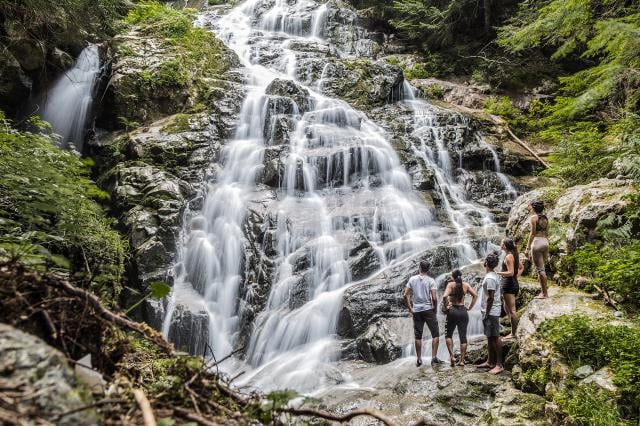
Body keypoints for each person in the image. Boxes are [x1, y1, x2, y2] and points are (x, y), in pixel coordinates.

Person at [404, 260, 444, 367]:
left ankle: (419, 359)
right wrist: (435, 309)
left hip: (417, 310)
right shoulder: (431, 281)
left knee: (418, 336)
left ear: (419, 268)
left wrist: (410, 308)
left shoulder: (412, 279)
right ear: (428, 269)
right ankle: (434, 357)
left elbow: (405, 295)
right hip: (428, 309)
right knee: (435, 334)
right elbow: (434, 298)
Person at [442, 269, 478, 367]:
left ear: (453, 277)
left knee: (448, 335)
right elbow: (475, 295)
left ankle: (452, 357)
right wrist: (470, 308)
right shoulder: (465, 285)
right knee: (463, 337)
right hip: (463, 311)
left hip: (452, 311)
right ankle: (462, 360)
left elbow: (445, 297)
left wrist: (446, 307)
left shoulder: (451, 285)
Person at [477, 252, 504, 374]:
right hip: (490, 311)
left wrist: (486, 312)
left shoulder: (490, 278)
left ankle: (499, 364)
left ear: (486, 263)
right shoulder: (493, 275)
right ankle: (490, 361)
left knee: (495, 337)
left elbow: (490, 298)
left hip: (491, 311)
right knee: (489, 336)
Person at [497, 238, 524, 340]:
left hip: (509, 285)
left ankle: (514, 333)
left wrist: (497, 273)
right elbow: (521, 268)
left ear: (505, 245)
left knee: (512, 311)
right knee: (506, 306)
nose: (500, 244)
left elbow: (511, 272)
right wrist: (516, 277)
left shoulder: (509, 256)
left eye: (501, 242)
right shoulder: (513, 254)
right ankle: (514, 326)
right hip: (512, 283)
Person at [524, 200, 550, 299]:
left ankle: (544, 293)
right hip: (545, 242)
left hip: (537, 242)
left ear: (534, 208)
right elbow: (546, 231)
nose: (530, 209)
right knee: (543, 268)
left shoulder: (533, 218)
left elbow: (533, 233)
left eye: (531, 207)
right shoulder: (545, 218)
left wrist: (527, 248)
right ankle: (544, 292)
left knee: (540, 269)